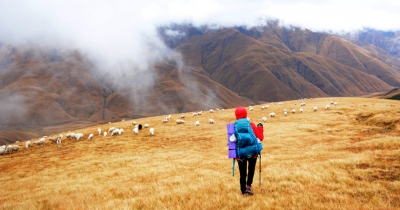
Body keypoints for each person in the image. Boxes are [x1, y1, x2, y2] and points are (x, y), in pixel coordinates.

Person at [234, 106, 264, 195]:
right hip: (252, 152)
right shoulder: (251, 124)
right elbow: (260, 137)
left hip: (240, 154)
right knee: (251, 169)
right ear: (246, 114)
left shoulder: (233, 126)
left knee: (242, 172)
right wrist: (260, 128)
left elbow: (232, 142)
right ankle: (248, 187)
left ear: (236, 115)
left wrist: (235, 156)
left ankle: (243, 190)